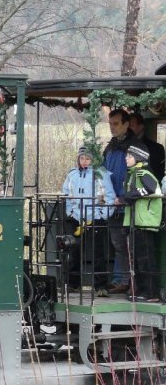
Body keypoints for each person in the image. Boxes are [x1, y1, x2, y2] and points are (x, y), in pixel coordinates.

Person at [103, 109, 147, 294]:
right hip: (113, 203)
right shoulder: (110, 147)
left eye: (116, 124)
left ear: (126, 124)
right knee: (118, 244)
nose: (112, 128)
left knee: (131, 245)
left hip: (129, 203)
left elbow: (141, 175)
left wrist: (125, 196)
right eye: (110, 124)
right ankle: (120, 279)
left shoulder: (136, 147)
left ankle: (134, 282)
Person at [61, 147, 116, 292]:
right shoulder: (72, 175)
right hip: (76, 218)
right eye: (82, 158)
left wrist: (103, 215)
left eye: (87, 159)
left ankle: (100, 286)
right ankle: (73, 284)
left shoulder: (101, 174)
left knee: (97, 253)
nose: (84, 162)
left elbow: (109, 196)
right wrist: (70, 211)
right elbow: (66, 193)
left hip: (95, 218)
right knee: (74, 251)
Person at [121, 145, 161, 302]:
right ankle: (141, 290)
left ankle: (152, 292)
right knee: (137, 259)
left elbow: (153, 189)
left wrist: (135, 194)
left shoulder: (144, 172)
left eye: (129, 156)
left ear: (138, 158)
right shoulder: (132, 174)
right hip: (134, 221)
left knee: (146, 259)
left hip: (144, 221)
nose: (126, 159)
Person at [129, 112, 165, 181]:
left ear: (141, 126)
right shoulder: (122, 146)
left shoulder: (157, 148)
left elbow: (159, 174)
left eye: (131, 125)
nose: (128, 129)